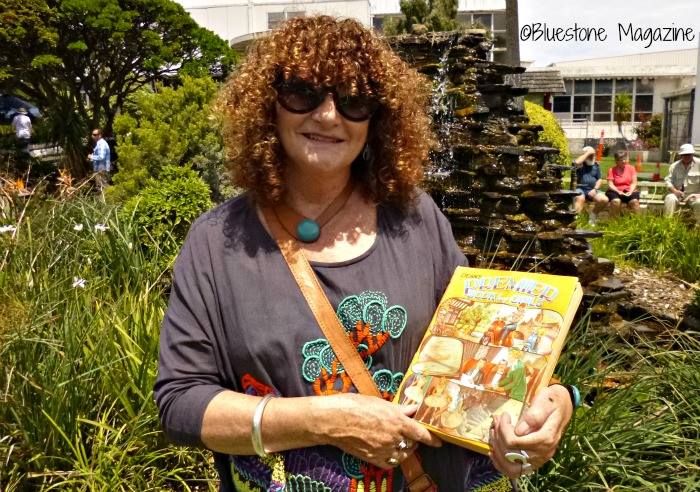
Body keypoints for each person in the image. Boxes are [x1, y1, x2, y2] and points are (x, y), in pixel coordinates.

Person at [154, 16, 574, 492]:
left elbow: (485, 353)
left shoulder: (418, 220)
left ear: (377, 118)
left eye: (354, 101)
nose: (329, 115)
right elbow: (181, 404)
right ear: (268, 105)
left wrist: (550, 403)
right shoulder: (216, 243)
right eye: (302, 92)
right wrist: (321, 420)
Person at [664, 143, 700, 223]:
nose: (687, 156)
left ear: (692, 154)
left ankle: (698, 227)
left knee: (699, 203)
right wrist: (675, 191)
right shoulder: (674, 166)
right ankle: (667, 225)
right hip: (678, 194)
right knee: (670, 198)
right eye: (684, 154)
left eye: (689, 154)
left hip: (695, 196)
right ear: (681, 155)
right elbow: (668, 181)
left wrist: (696, 195)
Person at [573, 146, 608, 224]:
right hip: (580, 188)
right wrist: (588, 152)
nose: (592, 157)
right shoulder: (580, 164)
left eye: (593, 155)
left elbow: (599, 179)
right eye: (590, 155)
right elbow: (576, 162)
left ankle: (593, 215)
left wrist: (595, 189)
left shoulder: (596, 165)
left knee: (604, 200)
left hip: (592, 190)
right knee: (580, 198)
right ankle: (575, 220)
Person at [606, 150, 640, 217]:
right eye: (621, 160)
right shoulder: (611, 170)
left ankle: (637, 222)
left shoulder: (631, 168)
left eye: (625, 159)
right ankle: (613, 223)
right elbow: (610, 184)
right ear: (616, 161)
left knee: (634, 202)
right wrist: (618, 191)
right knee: (616, 201)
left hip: (629, 190)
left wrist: (630, 191)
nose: (624, 161)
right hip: (615, 191)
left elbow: (634, 182)